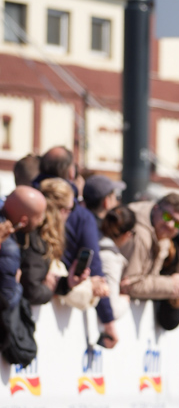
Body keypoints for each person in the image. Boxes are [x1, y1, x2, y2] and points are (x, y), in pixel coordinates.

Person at [35, 147, 119, 348]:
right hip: (47, 307)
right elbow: (94, 264)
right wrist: (108, 322)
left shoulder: (23, 198)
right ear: (71, 172)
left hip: (46, 299)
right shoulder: (80, 216)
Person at [120, 193, 179, 303]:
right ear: (156, 208)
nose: (170, 225)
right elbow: (129, 285)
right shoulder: (140, 234)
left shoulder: (162, 236)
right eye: (167, 217)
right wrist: (172, 284)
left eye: (178, 224)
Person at [99, 204, 137, 318]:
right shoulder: (111, 259)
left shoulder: (95, 243)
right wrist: (125, 300)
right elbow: (112, 309)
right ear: (127, 235)